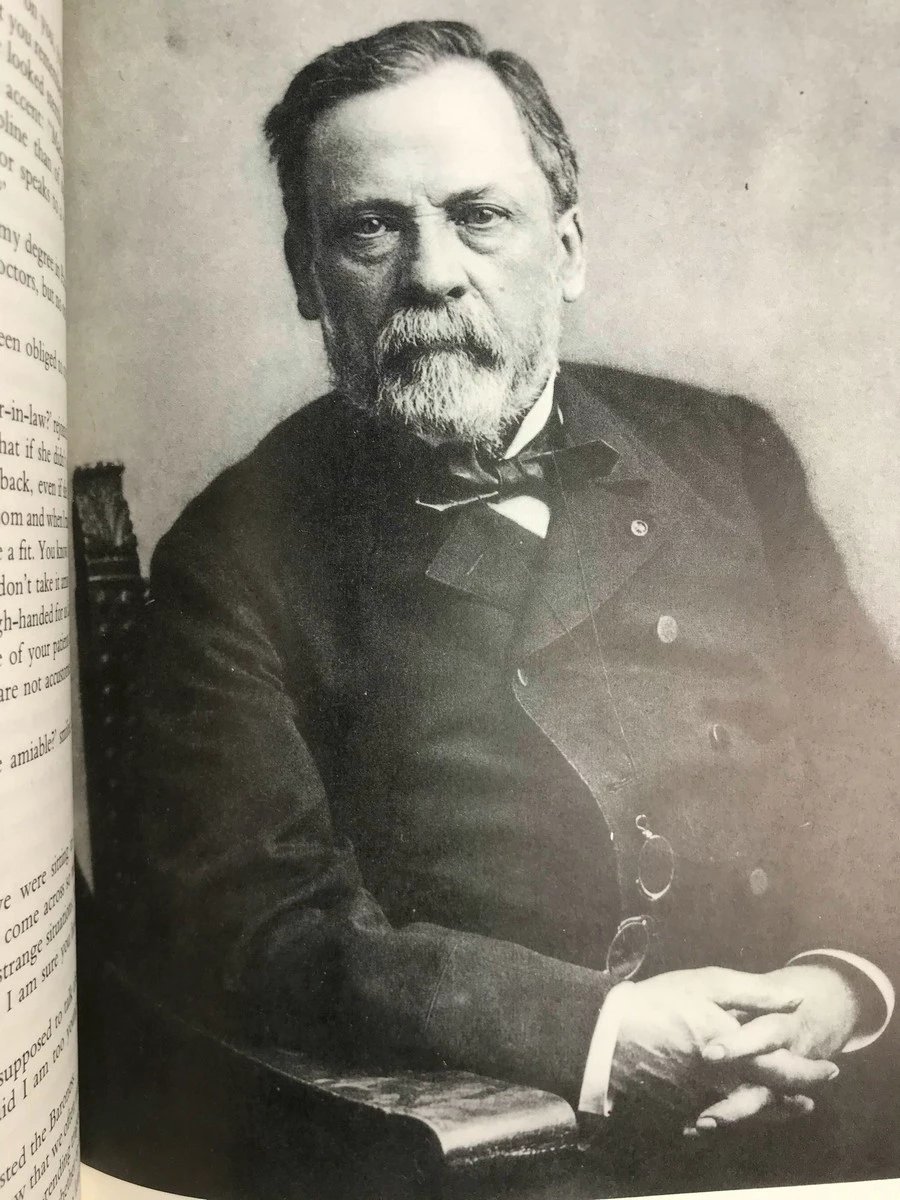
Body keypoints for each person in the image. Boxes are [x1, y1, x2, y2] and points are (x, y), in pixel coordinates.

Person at [127, 19, 898, 1191]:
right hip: (521, 1138)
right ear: (305, 274)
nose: (432, 273)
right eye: (372, 227)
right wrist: (596, 1037)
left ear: (568, 248)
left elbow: (875, 769)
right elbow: (257, 924)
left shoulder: (730, 453)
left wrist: (844, 979)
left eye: (480, 215)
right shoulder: (233, 555)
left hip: (835, 1087)